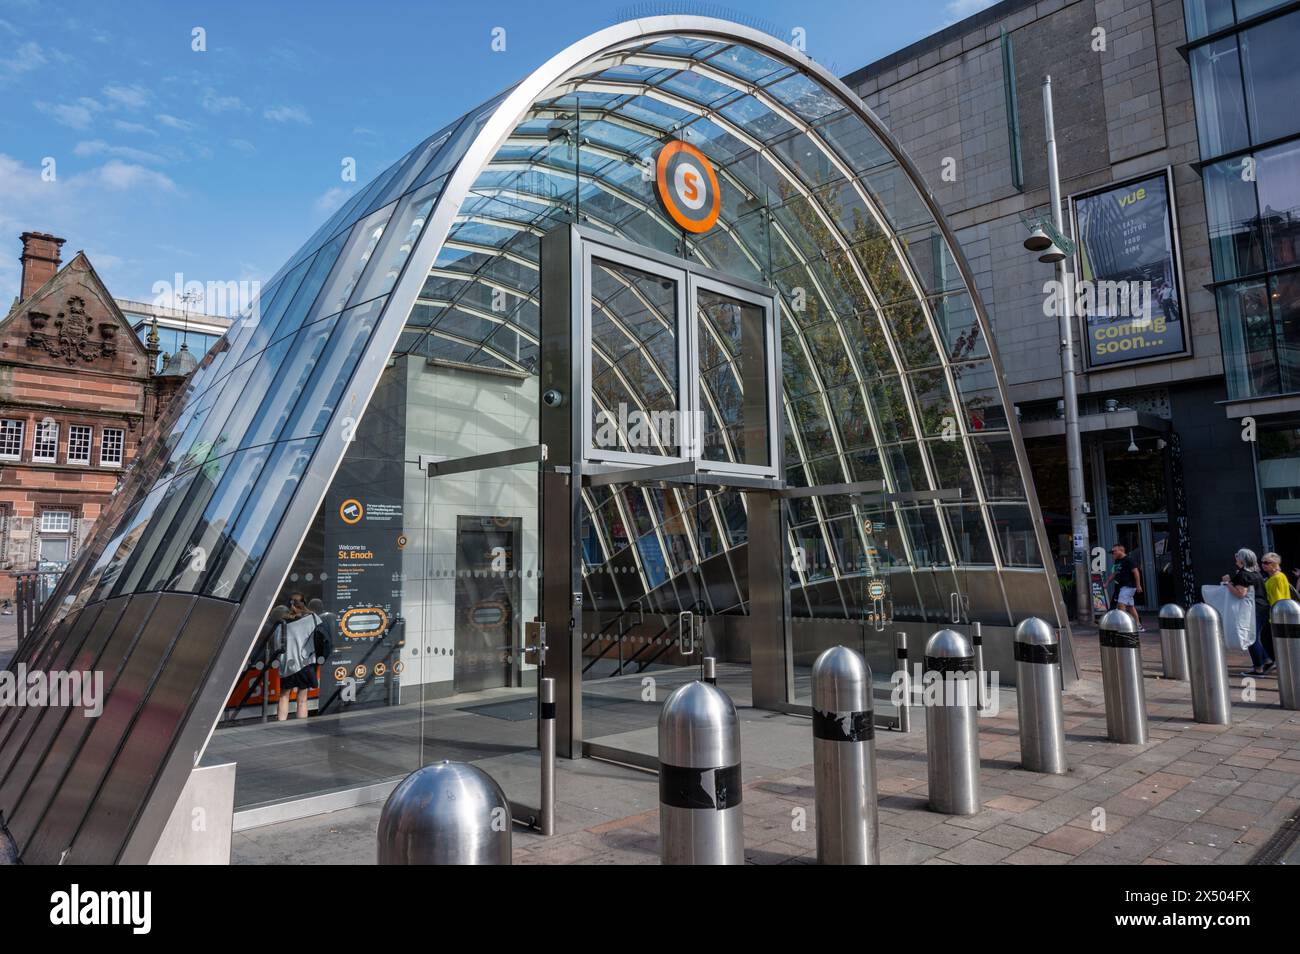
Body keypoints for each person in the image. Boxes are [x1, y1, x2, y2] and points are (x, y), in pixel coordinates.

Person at [1223, 548, 1273, 676]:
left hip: (1252, 610)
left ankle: (1258, 668)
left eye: (1238, 556)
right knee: (1255, 636)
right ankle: (1266, 660)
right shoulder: (1257, 573)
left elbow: (1241, 594)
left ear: (1242, 560)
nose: (1236, 557)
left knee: (1250, 638)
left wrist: (1227, 583)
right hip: (1263, 608)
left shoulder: (1243, 575)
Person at [1106, 543, 1143, 631]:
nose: (1113, 553)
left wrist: (1138, 585)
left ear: (1121, 550)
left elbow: (1136, 572)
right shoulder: (1118, 560)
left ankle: (1124, 626)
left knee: (1121, 604)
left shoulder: (1128, 560)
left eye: (1114, 551)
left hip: (1129, 586)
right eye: (1112, 552)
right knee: (1130, 607)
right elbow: (1114, 573)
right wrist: (1107, 582)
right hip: (1122, 587)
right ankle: (1138, 626)